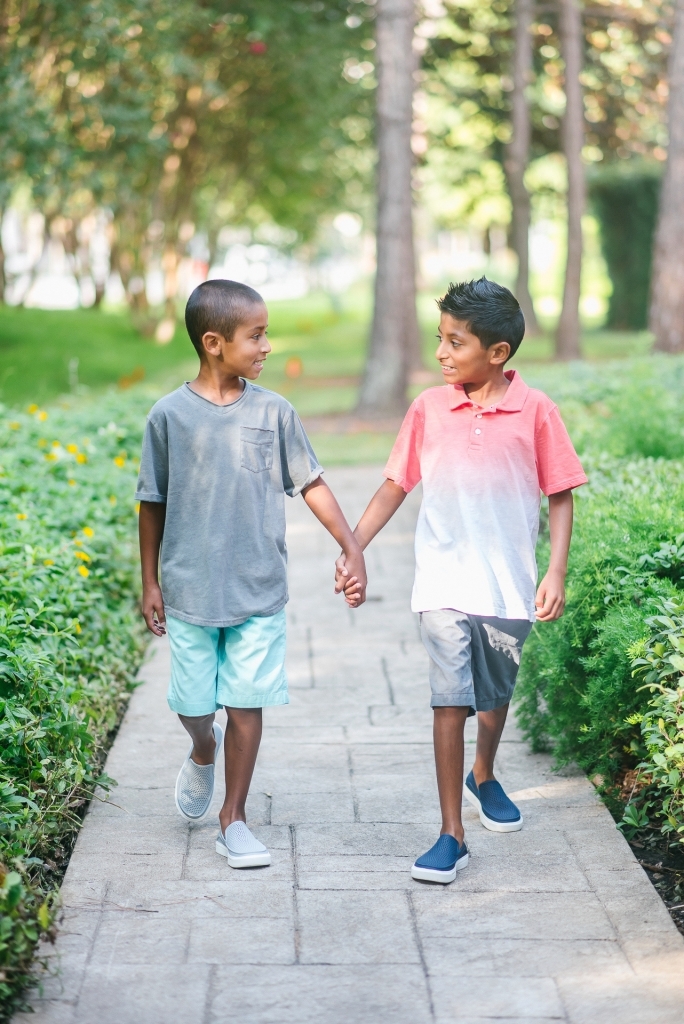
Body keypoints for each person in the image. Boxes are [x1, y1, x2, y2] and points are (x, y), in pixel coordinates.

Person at [336, 277, 587, 883]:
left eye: (456, 343)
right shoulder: (428, 408)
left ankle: (485, 773)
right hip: (443, 583)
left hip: (508, 588)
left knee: (494, 700)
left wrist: (554, 570)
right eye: (440, 339)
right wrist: (354, 547)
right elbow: (397, 483)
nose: (442, 353)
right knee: (450, 698)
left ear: (497, 353)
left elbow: (559, 494)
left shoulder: (537, 411)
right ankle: (452, 832)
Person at [136, 279, 366, 869]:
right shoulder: (168, 416)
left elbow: (310, 482)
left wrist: (350, 544)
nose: (267, 347)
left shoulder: (274, 411)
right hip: (189, 588)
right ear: (214, 343)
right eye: (255, 336)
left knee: (246, 701)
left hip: (260, 587)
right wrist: (151, 580)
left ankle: (232, 817)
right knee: (193, 703)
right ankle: (202, 749)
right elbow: (151, 500)